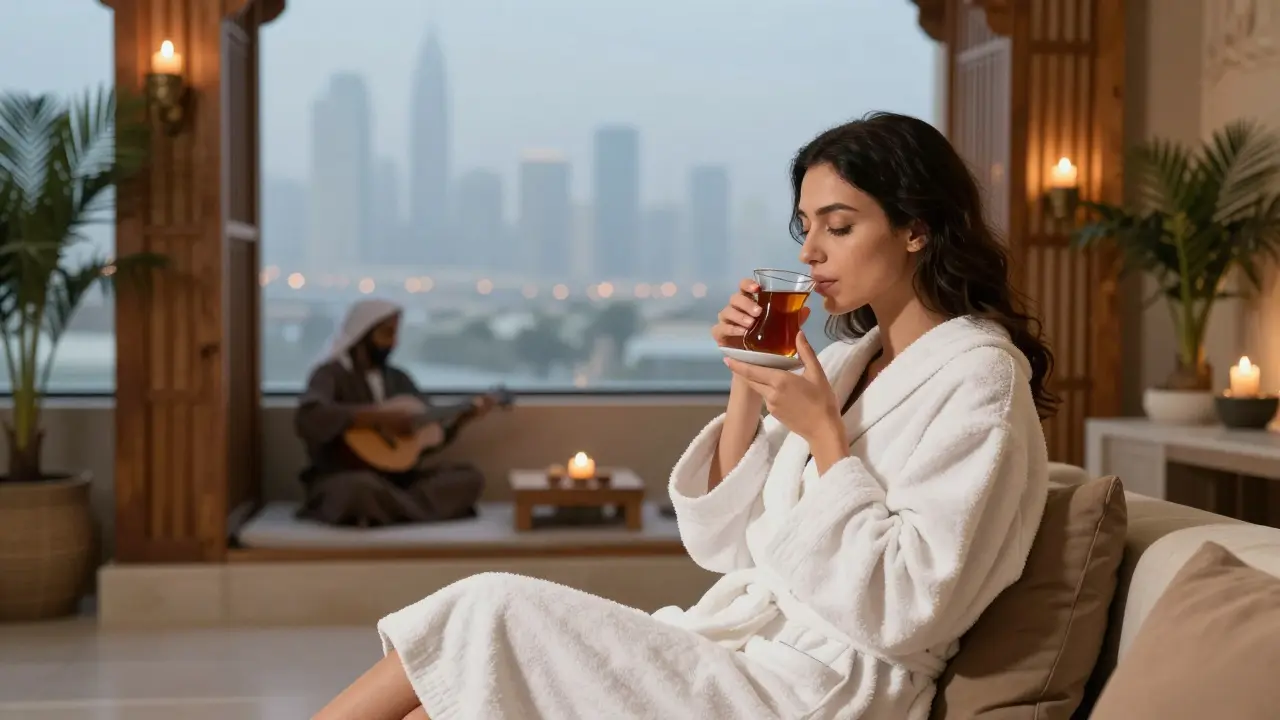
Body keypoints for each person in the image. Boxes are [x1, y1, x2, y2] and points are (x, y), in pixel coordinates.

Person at [314, 112, 1055, 720]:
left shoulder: (980, 380)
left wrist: (825, 435)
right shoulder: (846, 364)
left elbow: (912, 605)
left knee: (487, 609)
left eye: (838, 226)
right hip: (747, 653)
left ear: (915, 229)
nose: (811, 251)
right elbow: (722, 542)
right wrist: (748, 379)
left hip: (828, 692)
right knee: (441, 702)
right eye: (804, 226)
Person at [295, 298, 492, 527]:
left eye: (396, 334)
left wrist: (462, 418)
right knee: (359, 490)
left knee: (469, 478)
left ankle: (385, 511)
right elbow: (309, 416)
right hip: (342, 476)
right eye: (387, 334)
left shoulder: (399, 379)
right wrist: (378, 418)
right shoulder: (329, 374)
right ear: (363, 335)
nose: (394, 342)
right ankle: (406, 510)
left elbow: (427, 438)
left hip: (398, 481)